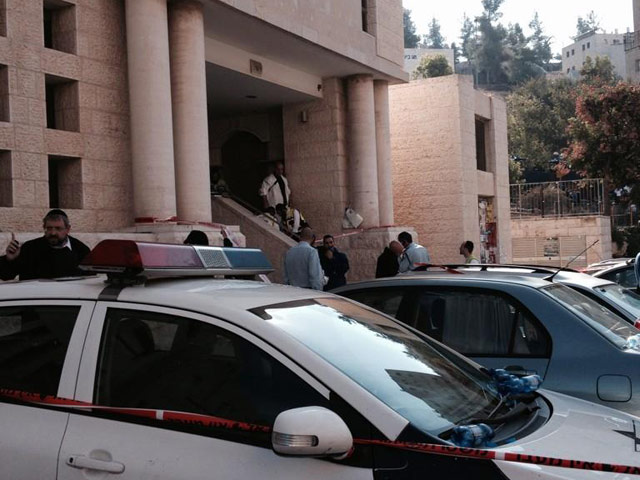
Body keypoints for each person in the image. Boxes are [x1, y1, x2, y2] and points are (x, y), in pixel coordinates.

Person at [0, 209, 91, 281]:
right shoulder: (30, 248)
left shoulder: (81, 250)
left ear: (67, 229)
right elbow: (6, 275)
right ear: (44, 228)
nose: (53, 233)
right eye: (49, 228)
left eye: (58, 228)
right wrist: (9, 260)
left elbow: (90, 281)